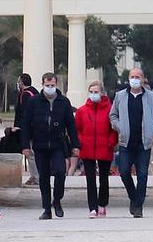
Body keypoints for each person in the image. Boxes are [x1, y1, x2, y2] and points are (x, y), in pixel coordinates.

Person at [109, 67, 153, 217]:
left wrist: (151, 129)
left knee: (142, 175)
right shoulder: (120, 96)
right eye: (132, 76)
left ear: (143, 79)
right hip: (126, 142)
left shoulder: (151, 97)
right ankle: (133, 197)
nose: (135, 79)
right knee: (124, 172)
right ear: (128, 78)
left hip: (143, 143)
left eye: (137, 76)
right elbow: (113, 115)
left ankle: (138, 207)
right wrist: (119, 126)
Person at [29, 68, 80, 219]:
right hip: (40, 144)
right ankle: (46, 208)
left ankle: (57, 199)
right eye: (47, 85)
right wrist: (25, 145)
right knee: (43, 177)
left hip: (58, 144)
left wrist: (75, 145)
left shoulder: (63, 102)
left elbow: (71, 125)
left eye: (52, 85)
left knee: (60, 172)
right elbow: (26, 123)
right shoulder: (34, 102)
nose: (50, 88)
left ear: (56, 85)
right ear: (42, 84)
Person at [74, 77, 117, 216]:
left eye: (96, 91)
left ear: (102, 93)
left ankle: (102, 203)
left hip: (105, 147)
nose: (93, 94)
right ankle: (92, 207)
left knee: (104, 178)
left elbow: (114, 129)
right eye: (91, 91)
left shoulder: (110, 110)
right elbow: (77, 129)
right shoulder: (82, 111)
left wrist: (111, 142)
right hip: (87, 148)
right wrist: (79, 142)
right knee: (90, 179)